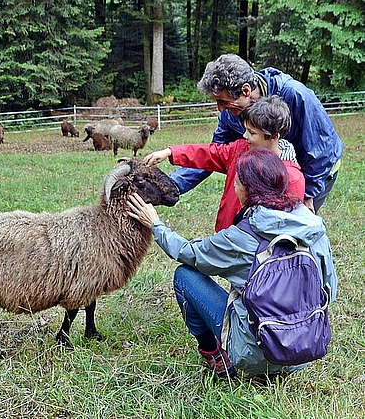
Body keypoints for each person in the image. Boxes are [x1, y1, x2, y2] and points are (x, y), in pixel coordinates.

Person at [127, 148, 337, 379]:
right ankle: (283, 357)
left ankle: (217, 358)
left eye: (235, 180)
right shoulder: (313, 227)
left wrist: (156, 225)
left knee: (185, 276)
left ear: (246, 189)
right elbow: (329, 290)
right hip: (307, 349)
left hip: (255, 354)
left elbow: (189, 253)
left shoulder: (242, 237)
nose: (234, 185)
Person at [170, 53, 343, 213]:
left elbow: (322, 150)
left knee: (291, 229)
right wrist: (172, 184)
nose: (221, 109)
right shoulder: (230, 114)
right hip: (272, 171)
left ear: (245, 91)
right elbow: (214, 153)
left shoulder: (294, 95)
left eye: (223, 101)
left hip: (314, 170)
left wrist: (308, 194)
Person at [143, 95, 305, 232]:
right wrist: (171, 152)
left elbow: (289, 226)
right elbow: (210, 153)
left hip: (256, 254)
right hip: (226, 236)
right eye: (246, 129)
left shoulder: (290, 178)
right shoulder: (241, 149)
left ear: (273, 137)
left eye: (252, 133)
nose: (244, 135)